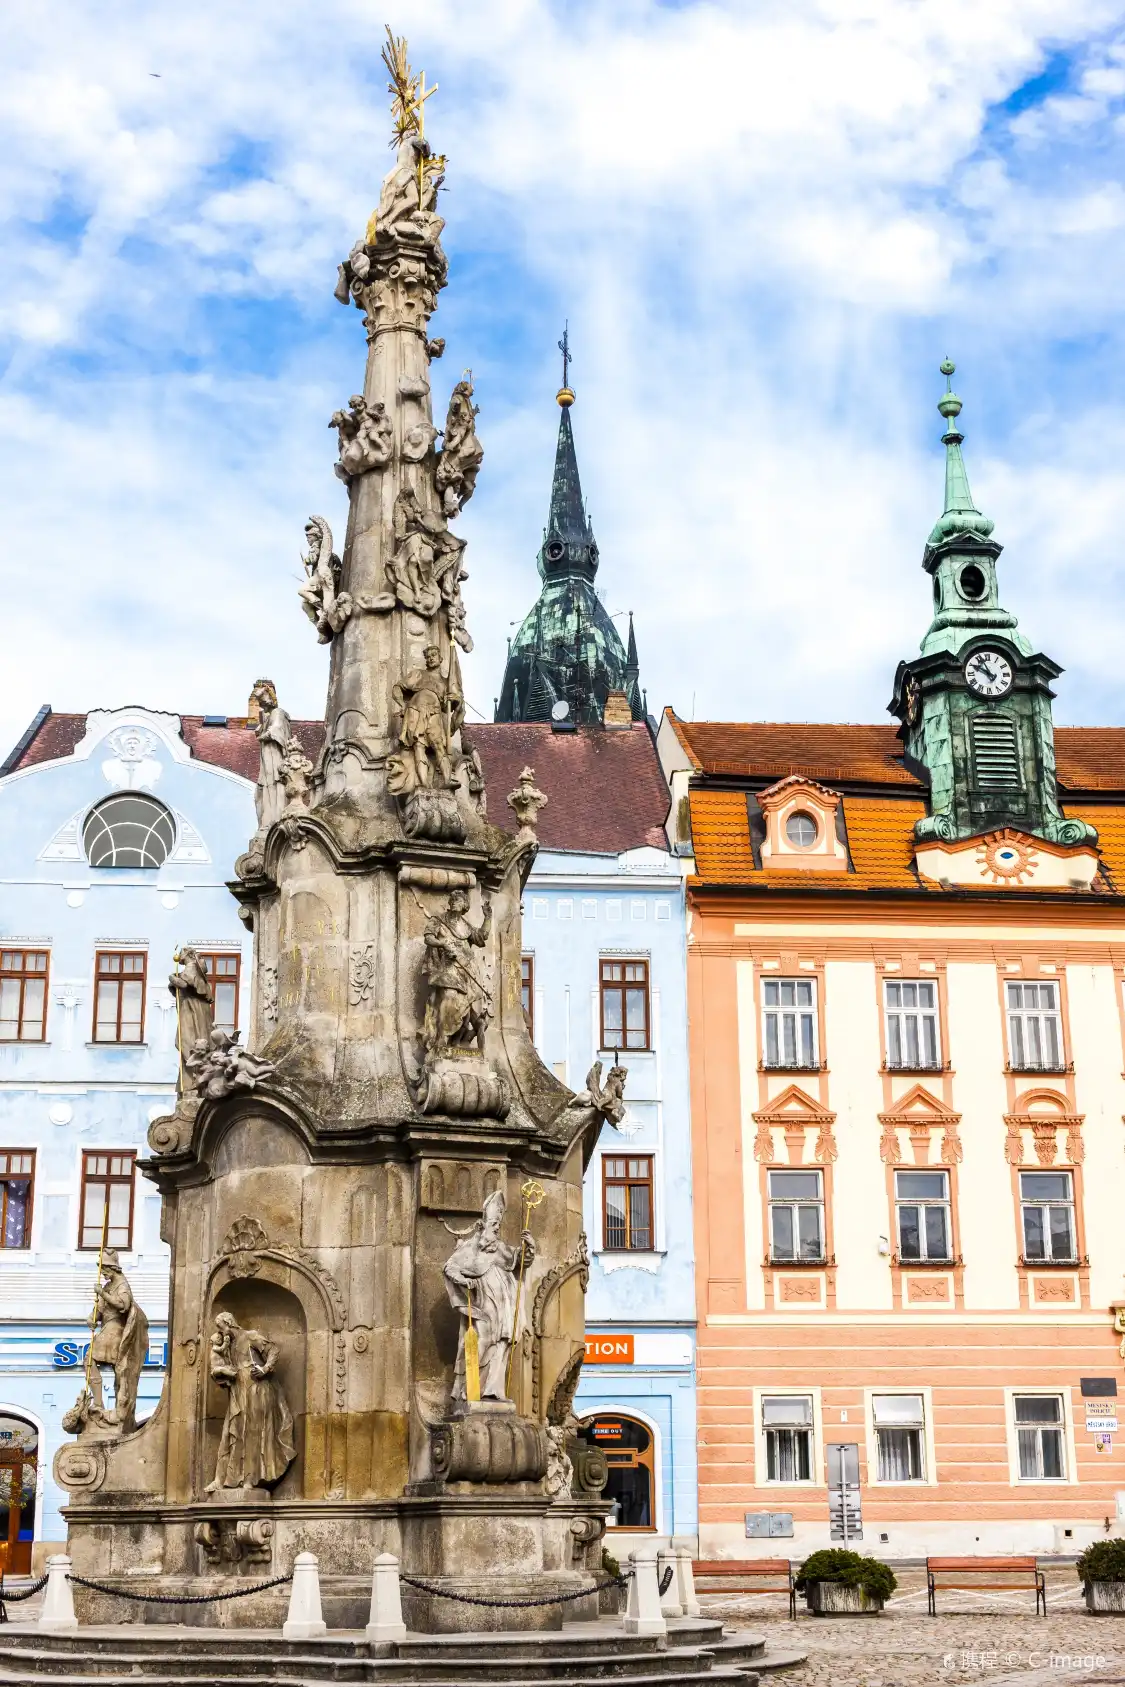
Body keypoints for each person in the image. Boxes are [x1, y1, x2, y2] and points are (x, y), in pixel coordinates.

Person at [443, 1192, 534, 1405]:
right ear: (482, 1226)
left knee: (502, 1344)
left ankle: (494, 1390)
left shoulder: (500, 1247)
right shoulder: (471, 1248)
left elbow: (519, 1261)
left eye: (498, 1225)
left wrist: (529, 1247)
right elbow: (450, 1267)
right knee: (481, 1342)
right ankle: (469, 1391)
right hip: (483, 1305)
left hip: (504, 1306)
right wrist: (464, 1281)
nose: (496, 1228)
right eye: (493, 1224)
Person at [206, 1311, 296, 1492]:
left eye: (220, 1327)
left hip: (257, 1390)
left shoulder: (250, 1336)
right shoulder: (227, 1345)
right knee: (229, 1434)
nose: (220, 1332)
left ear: (229, 1322)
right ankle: (221, 1478)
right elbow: (219, 1368)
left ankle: (249, 1479)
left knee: (252, 1435)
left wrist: (265, 1369)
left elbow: (273, 1350)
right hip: (238, 1392)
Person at [86, 1251, 149, 1432]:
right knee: (111, 1371)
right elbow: (98, 1313)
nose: (103, 1273)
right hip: (106, 1328)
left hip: (115, 1330)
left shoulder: (121, 1283)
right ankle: (102, 1405)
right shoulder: (107, 1286)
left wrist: (102, 1294)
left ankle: (107, 1407)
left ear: (112, 1268)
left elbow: (123, 1305)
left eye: (104, 1269)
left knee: (105, 1367)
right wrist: (92, 1318)